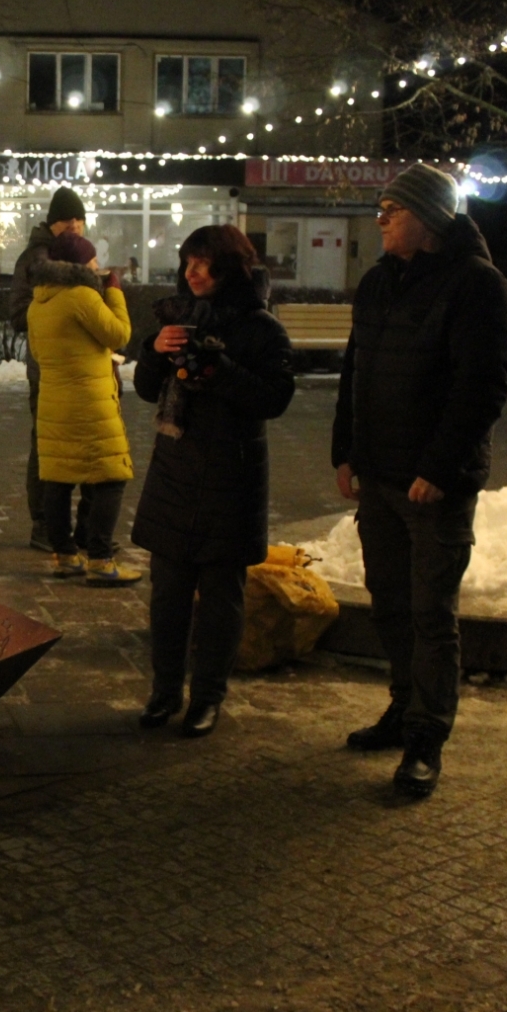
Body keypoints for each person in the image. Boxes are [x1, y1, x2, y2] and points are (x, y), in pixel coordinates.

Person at [331, 163, 507, 799]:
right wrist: (345, 451)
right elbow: (356, 370)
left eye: (392, 209)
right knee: (389, 602)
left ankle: (425, 738)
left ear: (431, 220)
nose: (380, 219)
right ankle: (402, 705)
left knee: (431, 613)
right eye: (380, 208)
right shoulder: (380, 282)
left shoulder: (476, 286)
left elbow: (482, 386)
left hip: (432, 485)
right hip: (380, 475)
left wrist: (437, 469)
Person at [132, 226, 294, 737]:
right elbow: (143, 388)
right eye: (187, 263)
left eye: (202, 264)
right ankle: (163, 692)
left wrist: (219, 371)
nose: (191, 273)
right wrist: (156, 350)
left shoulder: (261, 328)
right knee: (169, 593)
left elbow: (275, 398)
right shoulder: (175, 318)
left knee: (222, 597)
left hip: (232, 475)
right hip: (176, 471)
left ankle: (207, 698)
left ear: (229, 267)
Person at [25, 230, 139, 587]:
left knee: (58, 479)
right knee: (111, 477)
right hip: (89, 403)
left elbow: (40, 355)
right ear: (79, 266)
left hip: (54, 401)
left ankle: (64, 556)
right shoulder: (81, 297)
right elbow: (118, 334)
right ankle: (101, 559)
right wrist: (115, 292)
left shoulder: (38, 302)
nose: (99, 267)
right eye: (93, 262)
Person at [11, 187, 89, 553]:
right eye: (65, 220)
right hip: (47, 364)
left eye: (78, 220)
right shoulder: (36, 258)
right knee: (45, 441)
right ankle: (43, 523)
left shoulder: (76, 255)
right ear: (51, 223)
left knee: (83, 440)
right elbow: (18, 315)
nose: (73, 226)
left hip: (80, 364)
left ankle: (81, 530)